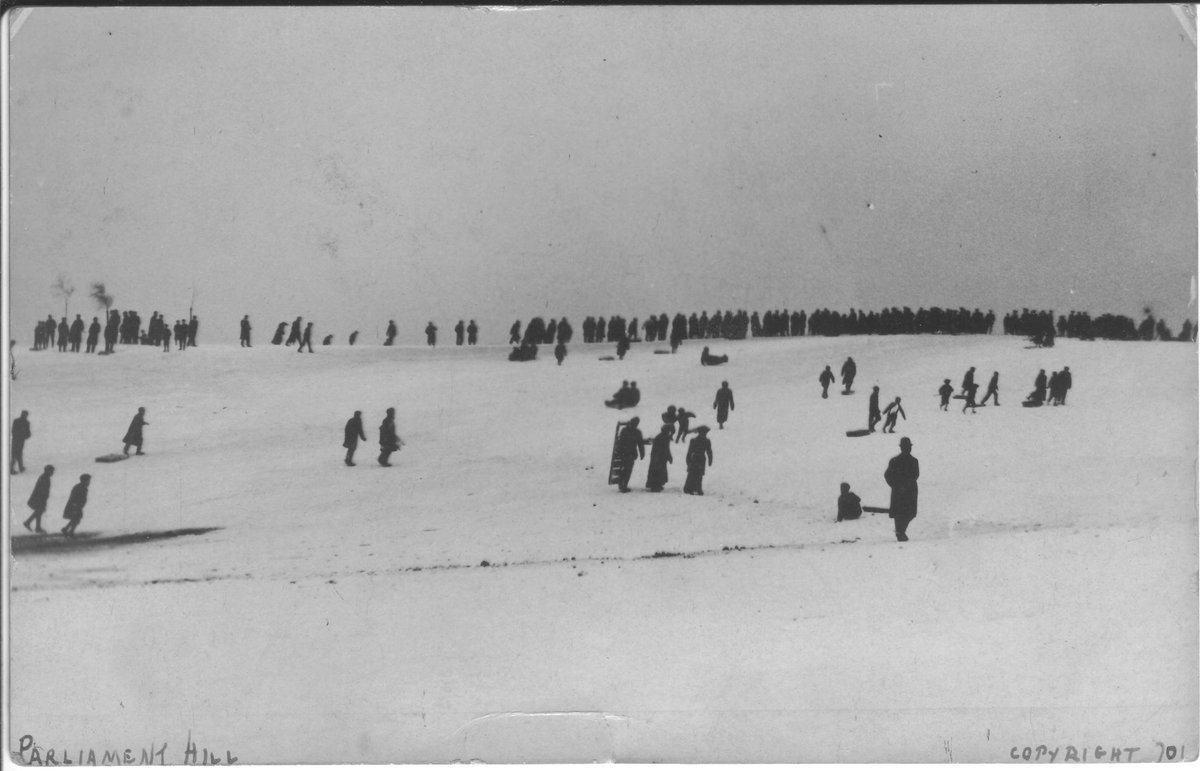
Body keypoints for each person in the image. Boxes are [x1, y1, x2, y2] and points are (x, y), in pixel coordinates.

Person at [884, 437, 919, 542]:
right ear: (901, 448)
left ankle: (901, 531)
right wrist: (896, 486)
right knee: (899, 513)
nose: (908, 449)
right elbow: (887, 475)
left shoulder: (914, 461)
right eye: (905, 447)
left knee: (911, 513)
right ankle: (900, 532)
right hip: (899, 492)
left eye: (909, 447)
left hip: (910, 491)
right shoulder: (894, 461)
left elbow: (916, 475)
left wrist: (906, 486)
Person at [614, 417, 647, 493]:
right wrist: (642, 453)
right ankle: (623, 485)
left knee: (625, 470)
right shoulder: (634, 431)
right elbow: (640, 444)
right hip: (627, 454)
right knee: (626, 470)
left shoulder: (627, 430)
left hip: (627, 454)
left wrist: (642, 453)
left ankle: (622, 485)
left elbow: (640, 443)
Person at [683, 426, 713, 495]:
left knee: (698, 475)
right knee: (693, 474)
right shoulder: (694, 440)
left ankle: (696, 489)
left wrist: (710, 459)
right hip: (696, 459)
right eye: (703, 433)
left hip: (700, 459)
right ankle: (689, 489)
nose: (704, 434)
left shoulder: (706, 441)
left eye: (705, 433)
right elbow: (690, 452)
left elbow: (709, 451)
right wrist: (688, 461)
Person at [24, 464, 54, 533]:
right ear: (48, 471)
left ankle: (35, 526)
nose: (52, 473)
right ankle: (30, 523)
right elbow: (42, 490)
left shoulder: (44, 477)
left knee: (39, 512)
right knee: (39, 511)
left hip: (39, 498)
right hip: (39, 498)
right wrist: (43, 500)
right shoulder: (45, 478)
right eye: (51, 471)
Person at [645, 423, 674, 492]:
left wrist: (669, 457)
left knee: (660, 471)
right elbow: (662, 448)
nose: (669, 432)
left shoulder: (665, 436)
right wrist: (668, 457)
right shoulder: (661, 437)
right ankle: (654, 486)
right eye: (668, 430)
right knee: (656, 471)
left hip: (661, 457)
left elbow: (667, 448)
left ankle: (658, 484)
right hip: (657, 457)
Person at [61, 473, 91, 537]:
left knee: (76, 518)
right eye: (88, 481)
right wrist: (75, 505)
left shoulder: (82, 487)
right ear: (84, 481)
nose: (89, 482)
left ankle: (66, 529)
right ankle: (70, 531)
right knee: (76, 518)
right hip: (74, 506)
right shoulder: (80, 487)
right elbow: (74, 497)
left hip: (77, 506)